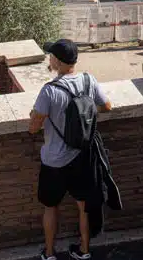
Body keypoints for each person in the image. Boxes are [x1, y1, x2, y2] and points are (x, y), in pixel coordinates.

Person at [30, 39, 114, 260]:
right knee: (83, 206)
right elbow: (106, 105)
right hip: (82, 156)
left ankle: (49, 253)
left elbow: (33, 127)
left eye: (51, 56)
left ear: (57, 61)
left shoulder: (49, 91)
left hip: (54, 160)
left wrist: (36, 116)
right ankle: (84, 250)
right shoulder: (89, 80)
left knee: (50, 207)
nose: (49, 58)